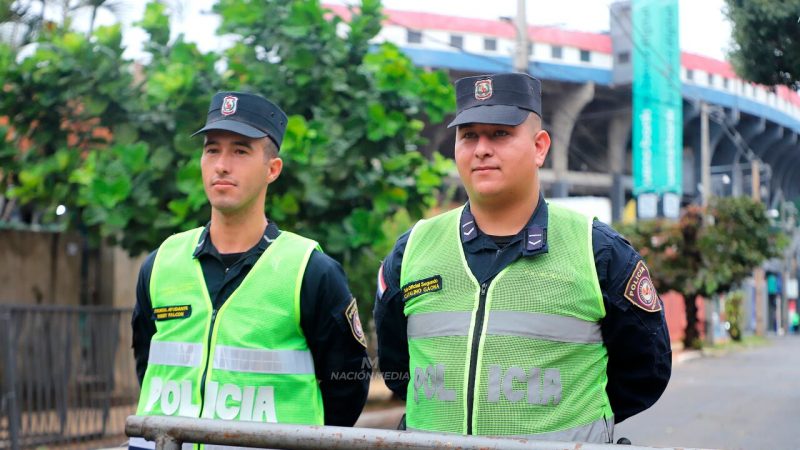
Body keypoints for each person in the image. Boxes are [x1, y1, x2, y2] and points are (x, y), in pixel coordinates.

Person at [374, 73, 671, 443]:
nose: (481, 148)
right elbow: (397, 367)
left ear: (540, 147)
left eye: (500, 133)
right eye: (469, 135)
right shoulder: (413, 250)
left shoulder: (598, 251)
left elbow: (647, 371)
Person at [130, 92, 370, 449]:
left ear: (272, 169)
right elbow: (146, 362)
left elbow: (347, 386)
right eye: (212, 149)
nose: (222, 165)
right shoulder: (162, 262)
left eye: (240, 151)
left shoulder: (310, 271)